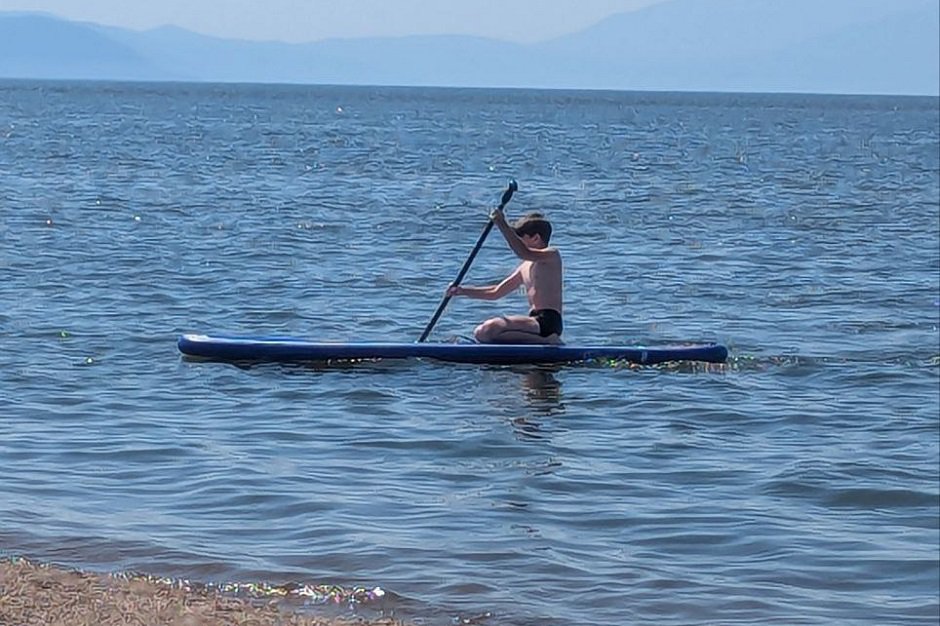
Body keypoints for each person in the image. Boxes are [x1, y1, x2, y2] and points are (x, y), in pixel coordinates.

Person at [447, 209, 563, 344]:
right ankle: (540, 341)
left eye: (521, 238)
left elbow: (523, 252)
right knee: (483, 333)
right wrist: (461, 291)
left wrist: (502, 223)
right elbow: (495, 292)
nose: (517, 242)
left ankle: (548, 341)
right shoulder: (524, 266)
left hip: (548, 321)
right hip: (533, 321)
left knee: (485, 331)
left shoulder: (551, 255)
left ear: (536, 238)